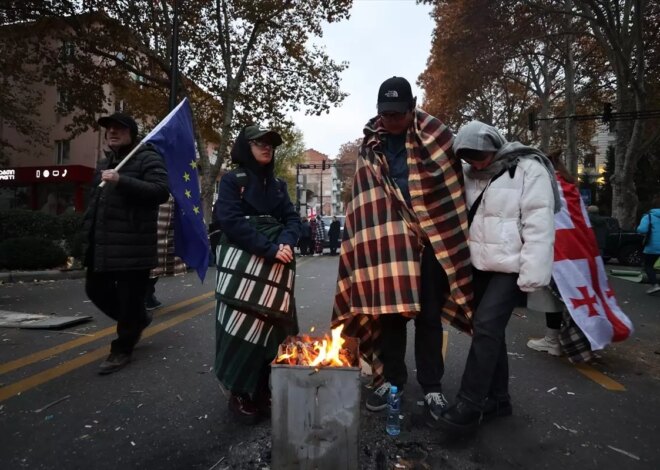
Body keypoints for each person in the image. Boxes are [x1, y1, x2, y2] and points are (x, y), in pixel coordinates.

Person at [331, 76, 474, 421]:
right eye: (385, 114)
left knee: (427, 318)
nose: (390, 121)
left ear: (412, 109)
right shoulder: (370, 147)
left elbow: (451, 190)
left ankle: (432, 387)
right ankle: (392, 380)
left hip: (428, 245)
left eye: (397, 114)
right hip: (389, 248)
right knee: (390, 315)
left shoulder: (438, 139)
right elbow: (364, 204)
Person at [434, 120, 558, 434]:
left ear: (495, 145)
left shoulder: (529, 169)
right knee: (487, 331)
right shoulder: (467, 174)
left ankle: (469, 403)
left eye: (482, 156)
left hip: (511, 267)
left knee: (487, 327)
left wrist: (533, 275)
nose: (478, 163)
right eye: (470, 158)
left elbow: (539, 223)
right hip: (477, 266)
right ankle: (499, 399)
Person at [212, 124, 301, 424]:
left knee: (275, 328)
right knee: (240, 326)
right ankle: (239, 392)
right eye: (259, 143)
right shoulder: (231, 180)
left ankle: (263, 388)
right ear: (244, 146)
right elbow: (230, 221)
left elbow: (292, 218)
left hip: (276, 265)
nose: (266, 147)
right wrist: (268, 248)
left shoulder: (278, 185)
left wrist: (286, 242)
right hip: (243, 264)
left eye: (270, 144)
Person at [83, 112, 170, 375]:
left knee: (130, 298)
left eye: (119, 128)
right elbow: (95, 203)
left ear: (131, 133)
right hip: (104, 245)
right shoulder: (104, 163)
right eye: (109, 128)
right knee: (95, 289)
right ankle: (138, 320)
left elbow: (160, 191)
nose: (112, 132)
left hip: (134, 245)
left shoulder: (147, 157)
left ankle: (122, 348)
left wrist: (123, 180)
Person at [145, 198, 187, 310]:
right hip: (155, 234)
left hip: (161, 234)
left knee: (155, 267)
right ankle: (146, 297)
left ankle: (147, 295)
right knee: (153, 267)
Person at [637, 196, 660, 294]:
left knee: (648, 265)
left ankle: (655, 285)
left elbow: (642, 229)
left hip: (653, 246)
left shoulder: (648, 217)